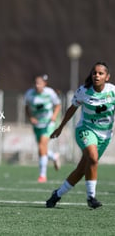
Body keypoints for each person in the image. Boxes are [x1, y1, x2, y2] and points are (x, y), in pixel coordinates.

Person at [46, 61, 115, 209]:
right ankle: (91, 197)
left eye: (101, 73)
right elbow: (72, 109)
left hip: (105, 135)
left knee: (82, 169)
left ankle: (57, 195)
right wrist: (60, 127)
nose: (97, 75)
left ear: (107, 77)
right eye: (94, 73)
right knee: (93, 158)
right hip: (85, 130)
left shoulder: (112, 91)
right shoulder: (84, 91)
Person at [24, 74, 62, 183]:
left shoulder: (50, 93)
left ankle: (42, 175)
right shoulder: (29, 94)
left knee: (42, 145)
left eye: (40, 83)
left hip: (48, 123)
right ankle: (54, 156)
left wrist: (54, 116)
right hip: (37, 124)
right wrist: (31, 117)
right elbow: (26, 107)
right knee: (41, 148)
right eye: (36, 83)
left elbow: (58, 105)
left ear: (44, 84)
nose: (37, 85)